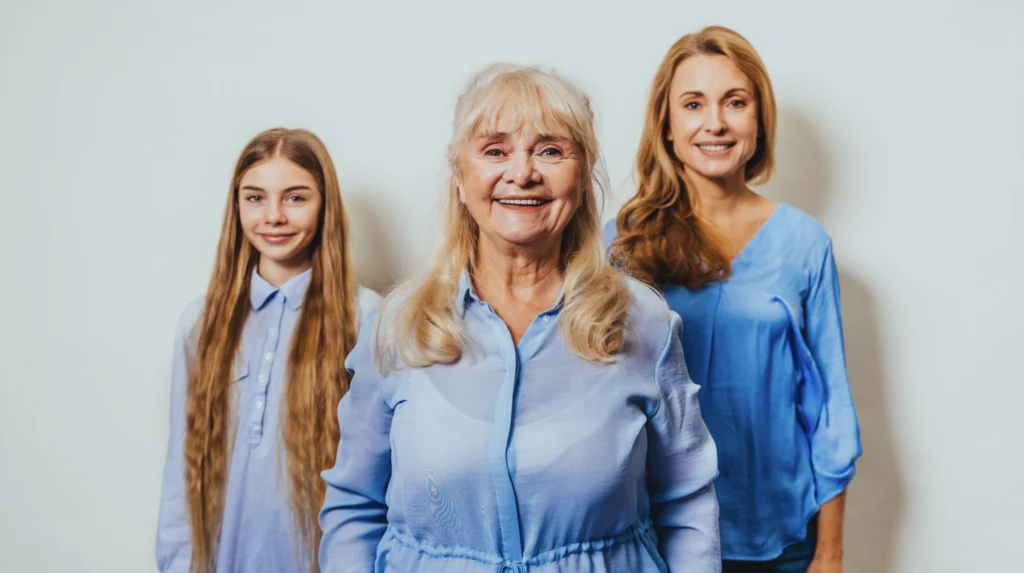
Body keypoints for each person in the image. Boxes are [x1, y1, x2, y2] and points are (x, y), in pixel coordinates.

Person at [319, 63, 721, 573]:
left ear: (583, 176)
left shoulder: (646, 322)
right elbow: (354, 507)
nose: (523, 171)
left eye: (551, 150)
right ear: (460, 179)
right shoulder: (396, 326)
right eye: (494, 150)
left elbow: (687, 504)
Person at [607, 26, 862, 573]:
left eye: (735, 102)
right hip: (654, 537)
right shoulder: (619, 245)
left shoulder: (804, 243)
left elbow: (831, 410)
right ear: (667, 126)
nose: (715, 122)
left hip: (783, 540)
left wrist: (831, 551)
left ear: (759, 120)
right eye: (693, 104)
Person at [155, 128, 382, 573]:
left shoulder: (367, 318)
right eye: (255, 198)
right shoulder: (200, 323)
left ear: (325, 206)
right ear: (236, 206)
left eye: (296, 198)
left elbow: (379, 477)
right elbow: (180, 470)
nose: (273, 216)